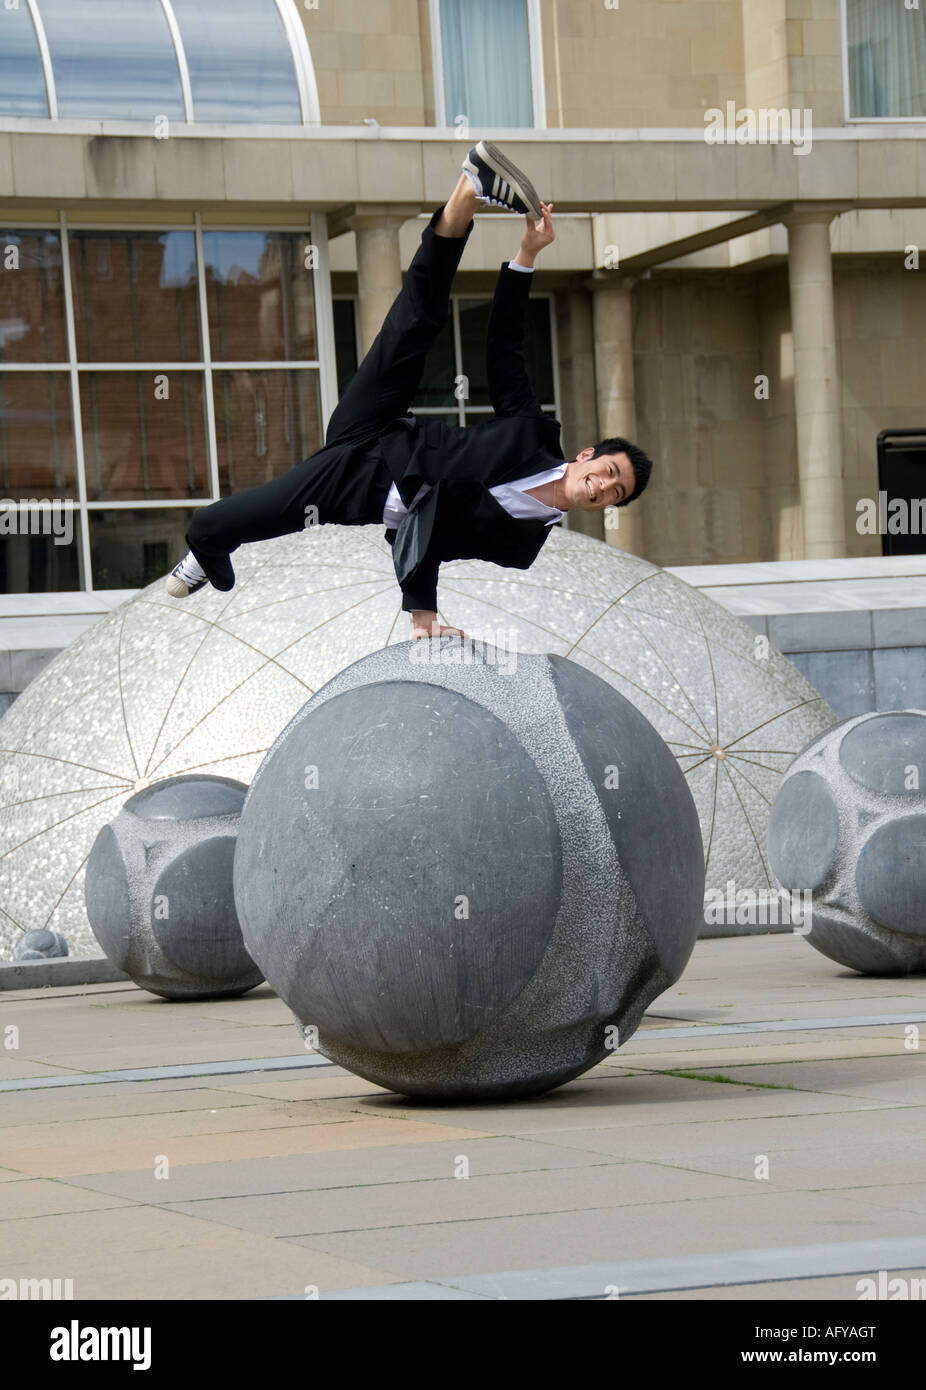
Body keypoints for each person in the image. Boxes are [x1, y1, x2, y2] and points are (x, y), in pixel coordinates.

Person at [166, 141, 652, 639]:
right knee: (415, 320)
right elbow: (505, 348)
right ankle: (471, 186)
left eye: (615, 494)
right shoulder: (533, 434)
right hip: (384, 432)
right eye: (609, 472)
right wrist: (527, 254)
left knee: (271, 513)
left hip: (361, 486)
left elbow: (431, 535)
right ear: (589, 454)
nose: (603, 487)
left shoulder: (521, 546)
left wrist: (424, 616)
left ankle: (207, 540)